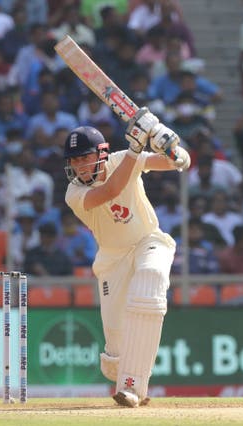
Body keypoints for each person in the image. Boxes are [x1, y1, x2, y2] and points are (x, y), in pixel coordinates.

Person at [62, 109, 190, 408]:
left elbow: (176, 162)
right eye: (75, 161)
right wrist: (136, 147)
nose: (80, 166)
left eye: (85, 157)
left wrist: (170, 144)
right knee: (116, 352)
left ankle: (133, 386)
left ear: (102, 154)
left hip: (149, 240)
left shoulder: (122, 159)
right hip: (112, 260)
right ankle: (128, 376)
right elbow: (111, 190)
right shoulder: (74, 193)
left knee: (151, 278)